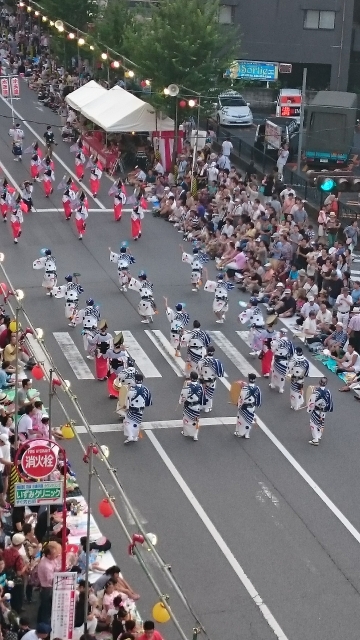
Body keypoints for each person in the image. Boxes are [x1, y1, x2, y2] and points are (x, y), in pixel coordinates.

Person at [123, 372, 152, 444]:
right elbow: (148, 401)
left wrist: (126, 407)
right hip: (141, 410)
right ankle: (135, 437)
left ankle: (130, 436)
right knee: (137, 423)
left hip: (132, 410)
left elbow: (127, 400)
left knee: (127, 422)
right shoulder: (146, 390)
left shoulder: (132, 390)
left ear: (135, 380)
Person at [197, 345, 224, 413]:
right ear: (213, 352)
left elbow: (198, 371)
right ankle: (208, 407)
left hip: (202, 380)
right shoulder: (217, 362)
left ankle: (201, 405)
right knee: (209, 394)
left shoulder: (201, 361)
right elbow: (220, 373)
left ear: (206, 351)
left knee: (201, 393)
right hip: (212, 381)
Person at [307, 377, 333, 446]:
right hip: (323, 411)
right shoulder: (328, 392)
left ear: (319, 382)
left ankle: (315, 439)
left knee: (313, 423)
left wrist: (309, 409)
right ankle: (319, 435)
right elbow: (330, 402)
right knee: (321, 423)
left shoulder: (316, 392)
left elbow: (311, 402)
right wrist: (327, 409)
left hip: (316, 411)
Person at [179, 371, 204, 441]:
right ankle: (195, 435)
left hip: (188, 407)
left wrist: (181, 401)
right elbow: (202, 397)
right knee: (196, 421)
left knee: (186, 420)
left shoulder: (187, 387)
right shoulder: (200, 387)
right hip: (197, 407)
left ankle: (186, 433)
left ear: (190, 377)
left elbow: (183, 397)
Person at [234, 373, 262, 439]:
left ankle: (240, 433)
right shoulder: (257, 389)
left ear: (249, 379)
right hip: (252, 407)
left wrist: (238, 404)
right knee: (249, 420)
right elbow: (259, 400)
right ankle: (247, 434)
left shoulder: (245, 388)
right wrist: (256, 405)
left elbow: (241, 398)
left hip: (244, 407)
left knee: (241, 420)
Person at [269, 329, 294, 393]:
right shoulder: (289, 342)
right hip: (285, 360)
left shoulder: (278, 342)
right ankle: (281, 388)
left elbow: (273, 350)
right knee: (282, 375)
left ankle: (273, 384)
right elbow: (292, 352)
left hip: (277, 359)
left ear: (281, 334)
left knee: (275, 373)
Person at [288, 346, 310, 410]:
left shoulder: (293, 360)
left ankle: (295, 404)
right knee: (298, 391)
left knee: (293, 391)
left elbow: (289, 368)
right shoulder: (306, 362)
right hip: (301, 379)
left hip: (294, 378)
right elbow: (306, 373)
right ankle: (297, 404)